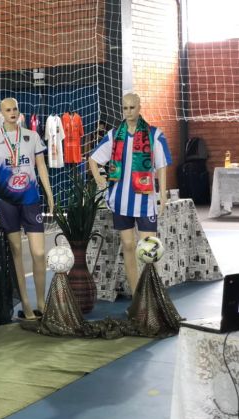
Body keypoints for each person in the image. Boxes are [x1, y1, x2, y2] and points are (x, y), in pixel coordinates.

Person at [88, 92, 171, 295]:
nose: (128, 111)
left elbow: (161, 166)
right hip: (120, 201)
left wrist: (162, 195)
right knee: (127, 246)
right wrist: (99, 179)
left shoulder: (154, 134)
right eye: (125, 108)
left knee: (150, 250)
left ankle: (153, 296)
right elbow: (93, 159)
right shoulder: (114, 135)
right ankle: (136, 296)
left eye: (132, 107)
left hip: (145, 200)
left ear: (140, 107)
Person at [0, 98, 54, 320]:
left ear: (19, 111)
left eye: (14, 109)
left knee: (39, 253)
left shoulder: (32, 136)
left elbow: (41, 167)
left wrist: (49, 194)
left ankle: (42, 302)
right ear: (1, 114)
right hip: (7, 202)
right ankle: (26, 304)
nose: (12, 113)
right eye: (7, 110)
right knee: (16, 254)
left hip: (31, 199)